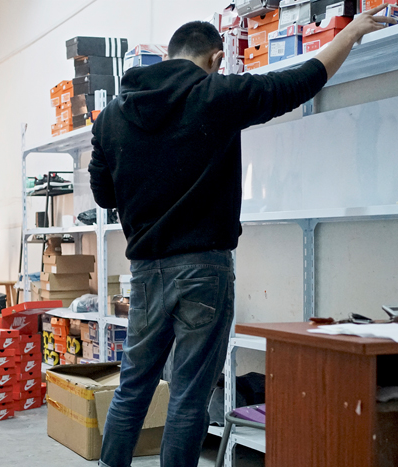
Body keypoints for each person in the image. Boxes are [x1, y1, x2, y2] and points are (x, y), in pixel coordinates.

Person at [88, 7, 395, 467]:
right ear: (216, 57)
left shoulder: (111, 116)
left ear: (169, 55)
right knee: (188, 396)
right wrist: (349, 33)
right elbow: (299, 83)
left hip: (146, 271)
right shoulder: (215, 94)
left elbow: (103, 194)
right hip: (204, 269)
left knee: (132, 388)